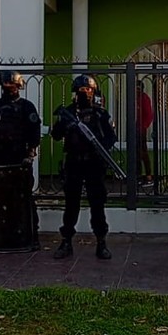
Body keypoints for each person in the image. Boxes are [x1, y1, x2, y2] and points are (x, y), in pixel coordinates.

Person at [50, 74, 118, 260]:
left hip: (94, 164)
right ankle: (66, 242)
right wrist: (66, 125)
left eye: (88, 89)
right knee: (71, 204)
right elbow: (55, 135)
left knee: (97, 204)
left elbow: (111, 137)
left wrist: (100, 147)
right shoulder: (68, 113)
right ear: (75, 91)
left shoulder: (100, 114)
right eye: (82, 89)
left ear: (93, 91)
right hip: (74, 163)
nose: (85, 92)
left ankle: (101, 242)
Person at [0, 70, 42, 248]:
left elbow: (34, 133)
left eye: (12, 85)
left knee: (25, 199)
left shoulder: (26, 107)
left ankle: (32, 236)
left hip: (19, 158)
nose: (9, 88)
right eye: (6, 85)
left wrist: (30, 153)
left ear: (18, 86)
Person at [136, 81, 154, 188]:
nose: (137, 89)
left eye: (138, 87)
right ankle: (138, 177)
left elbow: (149, 115)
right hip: (135, 127)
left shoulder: (144, 98)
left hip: (141, 129)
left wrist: (143, 127)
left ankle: (147, 176)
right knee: (136, 153)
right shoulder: (134, 98)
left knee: (142, 153)